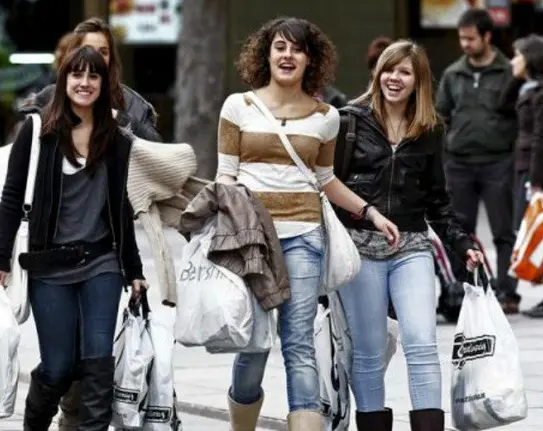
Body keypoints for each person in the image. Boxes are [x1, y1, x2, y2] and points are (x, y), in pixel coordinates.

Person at [215, 17, 399, 430]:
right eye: (280, 47)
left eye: (297, 49)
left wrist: (370, 213)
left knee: (298, 341)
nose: (288, 55)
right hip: (252, 242)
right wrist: (223, 218)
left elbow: (325, 180)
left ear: (310, 60)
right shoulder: (238, 107)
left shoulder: (326, 117)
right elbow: (225, 174)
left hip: (304, 237)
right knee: (255, 345)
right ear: (266, 54)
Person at [0, 46, 147, 431]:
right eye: (76, 74)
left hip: (101, 262)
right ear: (63, 80)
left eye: (93, 75)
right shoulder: (37, 131)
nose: (84, 83)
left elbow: (122, 207)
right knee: (58, 367)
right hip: (49, 265)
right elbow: (12, 196)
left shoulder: (117, 137)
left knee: (98, 363)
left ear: (103, 83)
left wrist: (134, 269)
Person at [335, 40, 483, 431]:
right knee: (368, 351)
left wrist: (463, 244)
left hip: (411, 247)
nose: (394, 78)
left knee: (421, 343)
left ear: (418, 82)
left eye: (405, 72)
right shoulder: (349, 122)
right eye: (389, 69)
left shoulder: (429, 130)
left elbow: (438, 201)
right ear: (377, 72)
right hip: (360, 249)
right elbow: (330, 187)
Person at [436, 9, 521, 313]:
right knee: (460, 229)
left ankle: (507, 292)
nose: (465, 44)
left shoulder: (509, 72)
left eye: (471, 38)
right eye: (462, 38)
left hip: (498, 162)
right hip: (459, 164)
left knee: (503, 231)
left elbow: (521, 114)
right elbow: (440, 116)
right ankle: (465, 291)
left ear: (487, 36)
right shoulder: (452, 74)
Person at [24, 17, 162, 143]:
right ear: (73, 54)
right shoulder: (49, 97)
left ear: (111, 58)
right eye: (88, 50)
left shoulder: (130, 101)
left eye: (103, 52)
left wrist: (120, 119)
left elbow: (156, 145)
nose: (96, 57)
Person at [510, 34, 543, 318]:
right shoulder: (528, 89)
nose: (512, 61)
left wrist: (536, 182)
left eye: (517, 56)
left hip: (539, 174)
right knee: (539, 232)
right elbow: (502, 102)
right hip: (528, 170)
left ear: (531, 59)